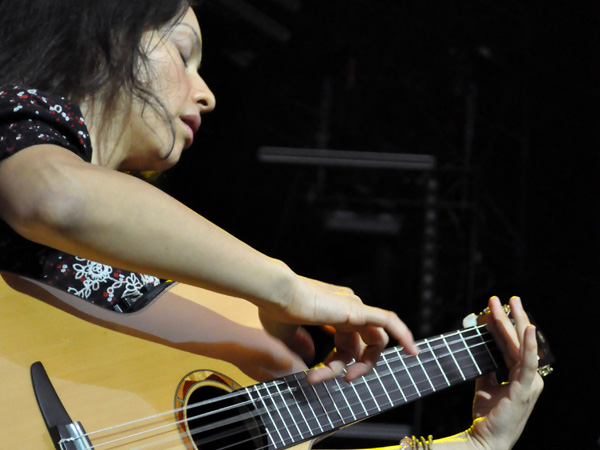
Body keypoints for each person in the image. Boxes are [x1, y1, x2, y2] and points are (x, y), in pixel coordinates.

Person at [0, 1, 543, 449]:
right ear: (106, 38)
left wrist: (477, 446)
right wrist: (287, 288)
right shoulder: (16, 120)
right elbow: (54, 196)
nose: (206, 94)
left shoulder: (173, 282)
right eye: (183, 54)